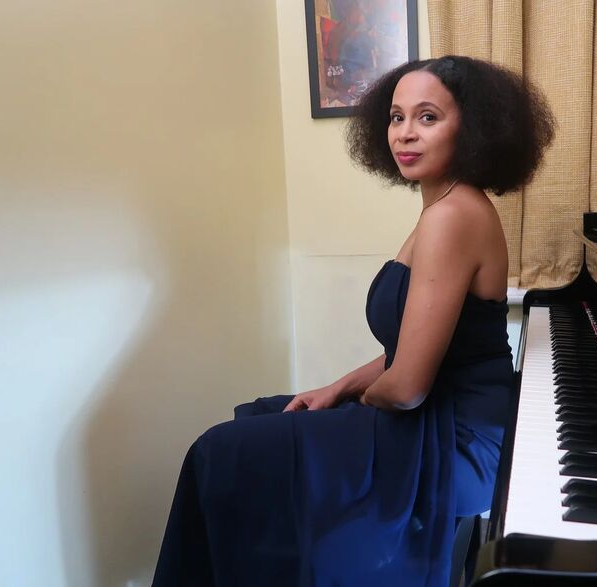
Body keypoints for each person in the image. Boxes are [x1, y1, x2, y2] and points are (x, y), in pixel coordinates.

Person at [152, 55, 555, 587]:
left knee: (218, 453)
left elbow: (406, 388)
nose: (405, 134)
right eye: (396, 117)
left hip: (459, 440)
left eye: (428, 117)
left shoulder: (453, 218)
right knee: (259, 420)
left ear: (473, 128)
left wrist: (352, 402)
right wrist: (334, 388)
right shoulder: (443, 207)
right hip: (438, 416)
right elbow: (409, 349)